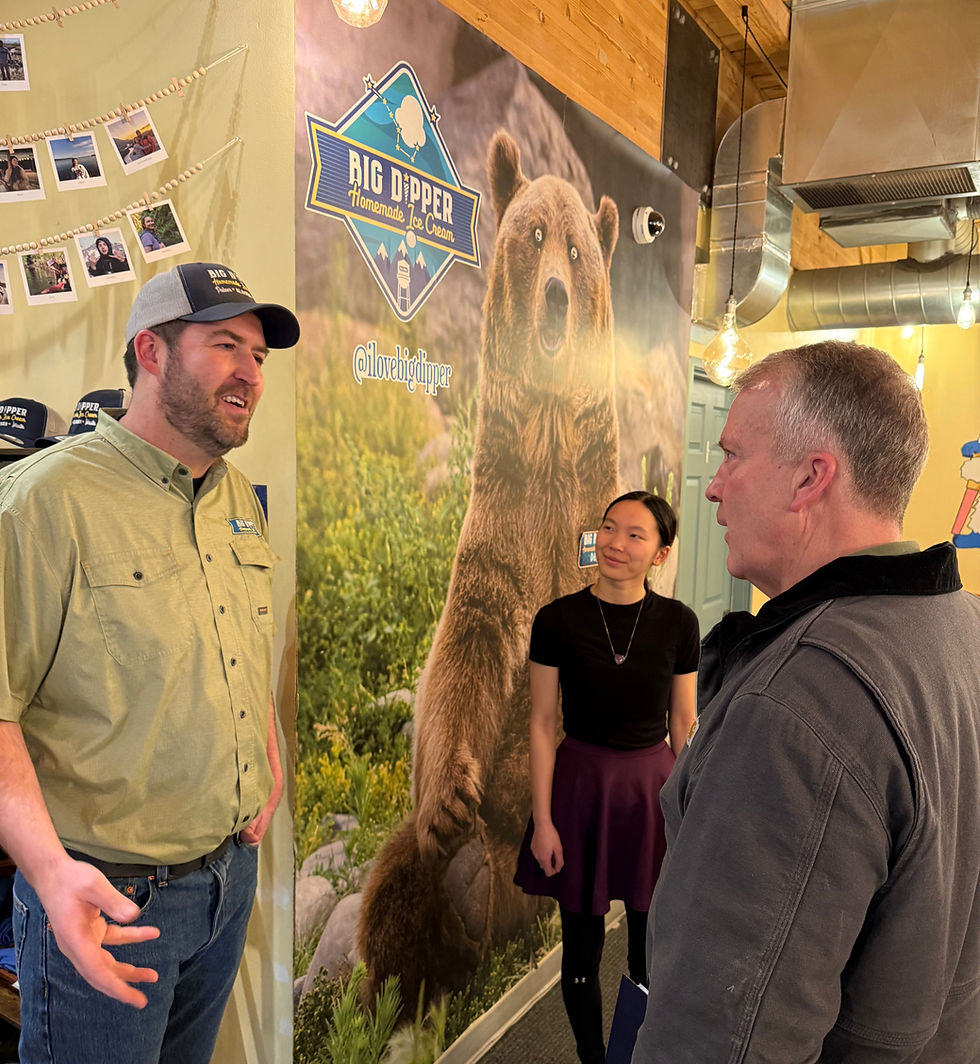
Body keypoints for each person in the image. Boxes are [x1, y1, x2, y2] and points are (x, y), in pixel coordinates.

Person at [632, 341, 980, 1063]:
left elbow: (720, 1041)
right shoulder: (964, 624)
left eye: (732, 455)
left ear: (810, 479)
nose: (714, 486)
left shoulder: (799, 707)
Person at [0, 261, 301, 1064]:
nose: (251, 373)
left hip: (224, 885)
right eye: (227, 345)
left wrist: (264, 755)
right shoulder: (43, 501)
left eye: (261, 356)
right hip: (106, 898)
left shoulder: (233, 494)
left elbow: (241, 642)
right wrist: (50, 875)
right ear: (153, 352)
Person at [513, 491, 699, 1064]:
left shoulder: (678, 623)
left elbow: (683, 724)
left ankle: (642, 1051)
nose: (615, 544)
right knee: (582, 950)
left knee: (651, 949)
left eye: (635, 535)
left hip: (651, 793)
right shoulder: (558, 620)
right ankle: (593, 1056)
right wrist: (543, 820)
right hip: (580, 790)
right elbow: (543, 723)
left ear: (660, 553)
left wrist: (688, 814)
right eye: (609, 528)